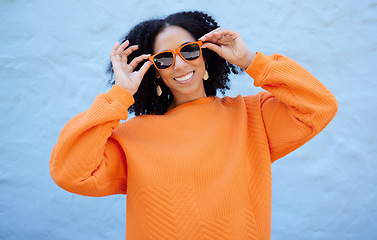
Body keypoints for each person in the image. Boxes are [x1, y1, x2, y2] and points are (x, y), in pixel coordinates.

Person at [50, 11, 338, 240]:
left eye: (189, 50)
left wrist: (250, 61)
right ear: (154, 72)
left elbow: (319, 106)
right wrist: (119, 95)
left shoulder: (252, 116)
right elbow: (70, 172)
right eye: (163, 58)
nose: (179, 65)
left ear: (206, 55)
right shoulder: (132, 137)